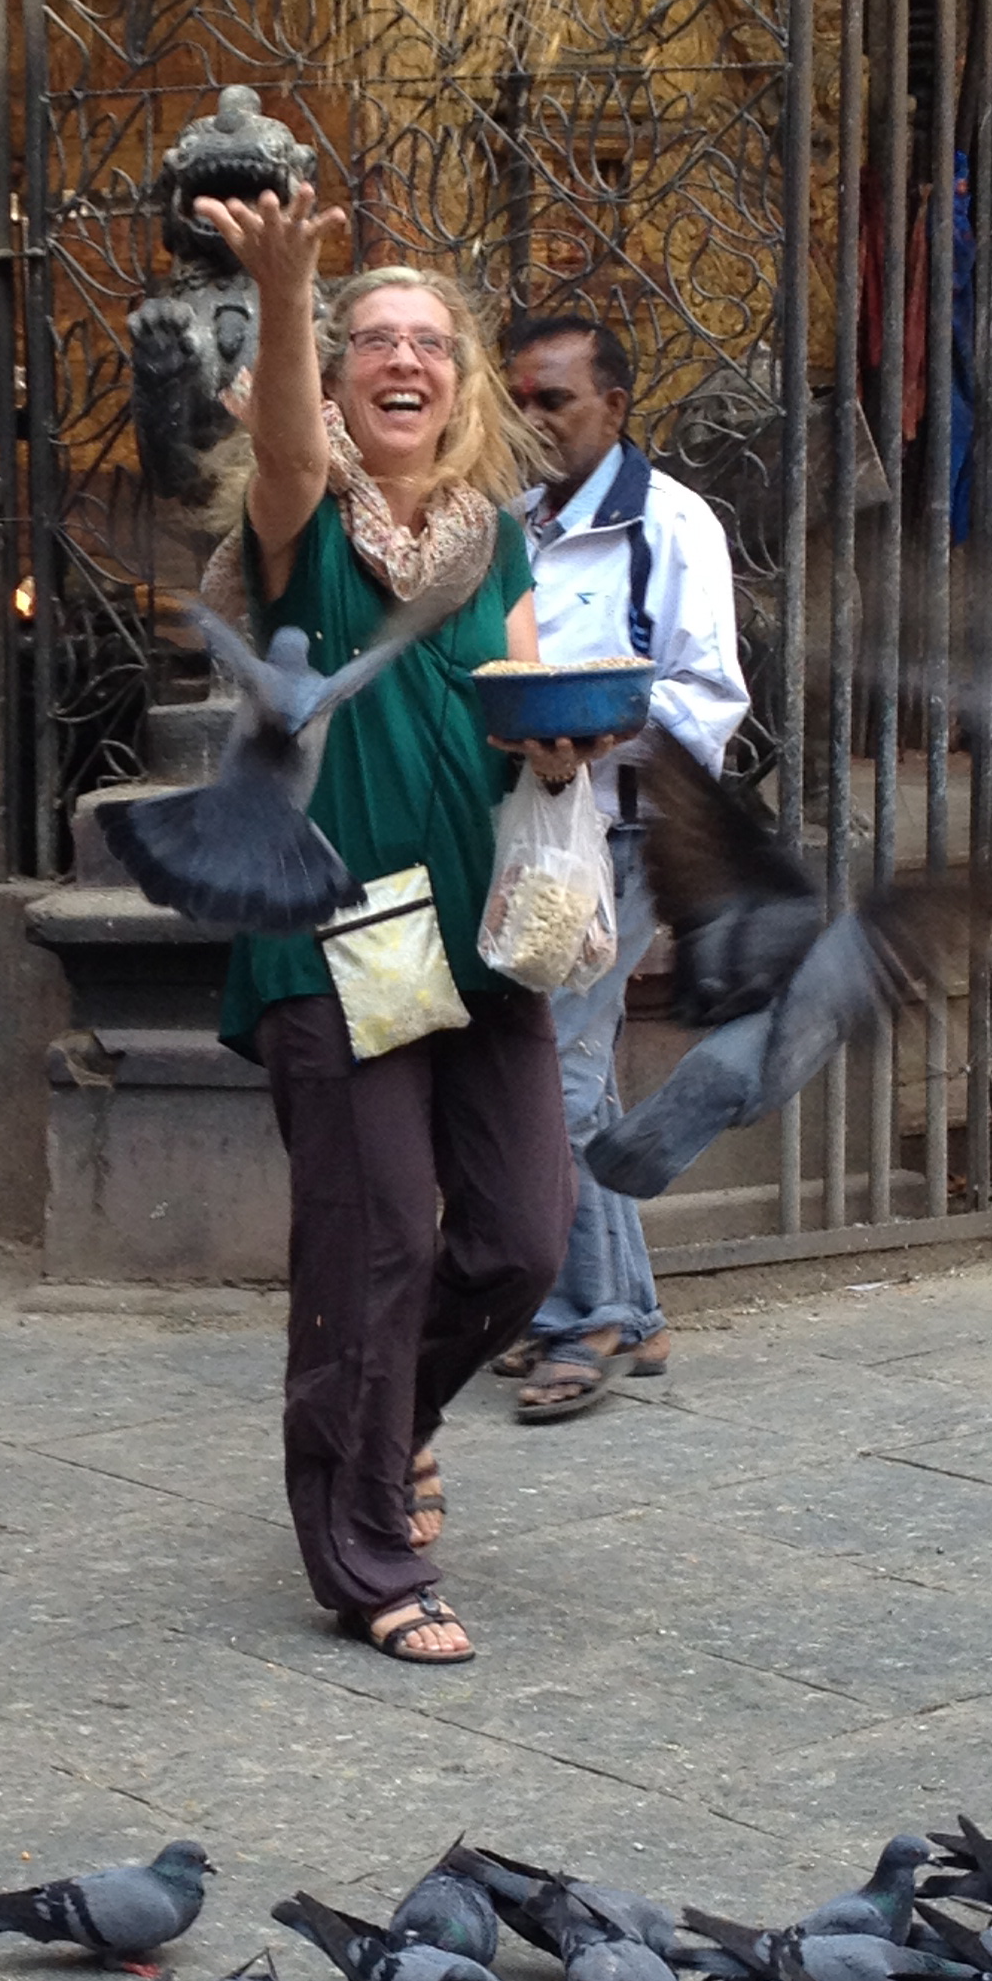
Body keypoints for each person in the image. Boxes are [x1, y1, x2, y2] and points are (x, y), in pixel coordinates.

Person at [193, 183, 600, 1664]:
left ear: (465, 378)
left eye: (429, 340)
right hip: (338, 928)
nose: (403, 360)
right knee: (373, 1252)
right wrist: (292, 287)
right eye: (376, 340)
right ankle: (366, 1559)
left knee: (518, 1240)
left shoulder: (496, 544)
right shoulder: (299, 528)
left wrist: (565, 749)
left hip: (480, 930)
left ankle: (395, 1418)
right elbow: (290, 446)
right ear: (343, 371)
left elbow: (528, 707)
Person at [495, 311, 746, 1426]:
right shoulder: (516, 524)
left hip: (634, 830)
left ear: (616, 404)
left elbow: (710, 700)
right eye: (521, 400)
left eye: (555, 399)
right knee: (563, 1060)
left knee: (556, 1063)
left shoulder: (674, 525)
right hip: (543, 824)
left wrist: (606, 731)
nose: (534, 420)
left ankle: (584, 1318)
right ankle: (629, 1314)